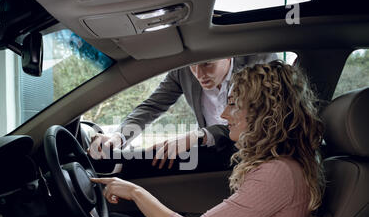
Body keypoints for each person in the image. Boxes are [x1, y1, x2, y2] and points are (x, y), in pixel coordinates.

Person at [54, 60, 325, 217]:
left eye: (233, 105)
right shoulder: (278, 167)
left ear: (263, 113)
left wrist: (135, 192)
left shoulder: (277, 174)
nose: (223, 114)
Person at [88, 54, 278, 169]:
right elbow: (152, 106)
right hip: (216, 155)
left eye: (207, 64)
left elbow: (261, 121)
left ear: (228, 56)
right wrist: (118, 137)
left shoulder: (258, 65)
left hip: (261, 156)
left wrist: (198, 135)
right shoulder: (183, 71)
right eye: (193, 65)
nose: (199, 74)